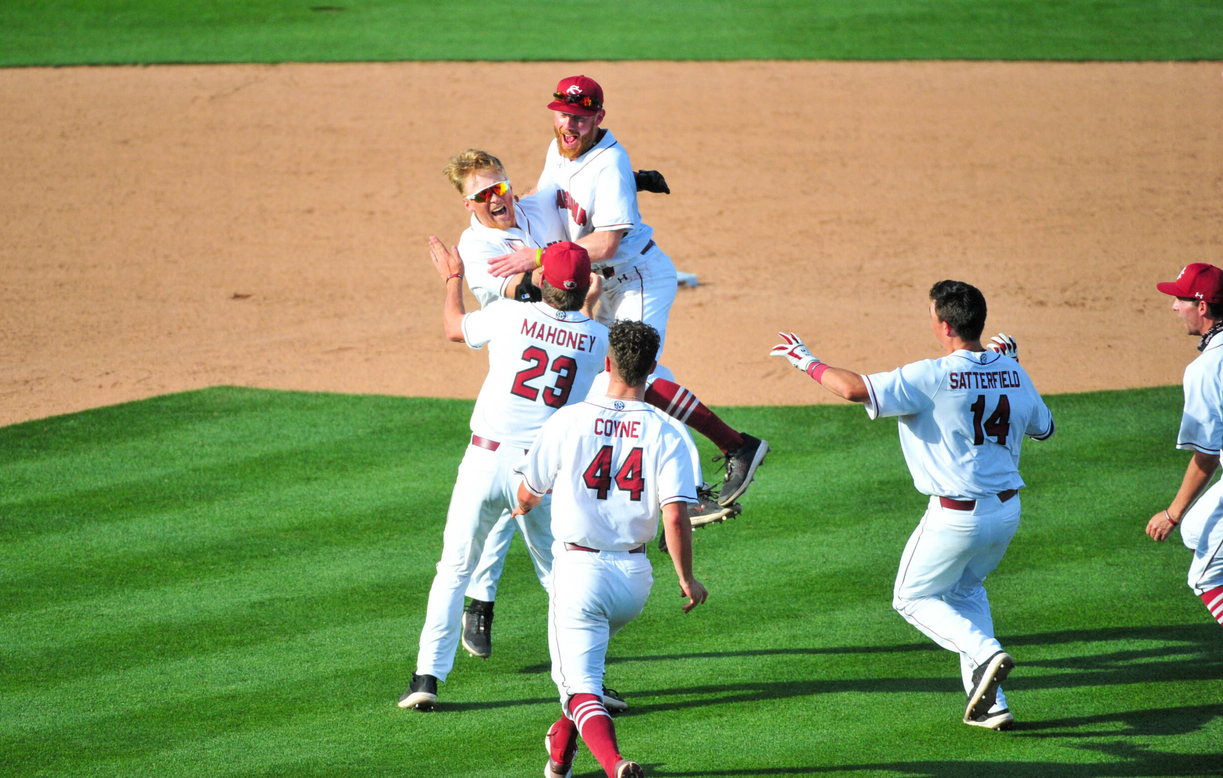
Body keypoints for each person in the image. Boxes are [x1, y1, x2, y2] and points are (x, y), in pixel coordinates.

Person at [438, 148, 755, 670]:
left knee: (531, 477)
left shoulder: (531, 205)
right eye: (484, 194)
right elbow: (527, 289)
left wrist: (627, 182)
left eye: (501, 187)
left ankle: (487, 602)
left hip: (563, 352)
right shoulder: (477, 249)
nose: (498, 199)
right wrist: (549, 263)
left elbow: (568, 197)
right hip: (523, 365)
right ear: (468, 204)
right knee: (513, 483)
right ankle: (483, 600)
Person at [769, 281, 1054, 730]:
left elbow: (854, 389)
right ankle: (992, 705)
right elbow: (1044, 428)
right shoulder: (1014, 370)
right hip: (1006, 514)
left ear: (946, 326)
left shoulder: (932, 376)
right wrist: (1010, 367)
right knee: (966, 591)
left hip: (956, 518)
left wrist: (806, 360)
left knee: (910, 597)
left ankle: (985, 653)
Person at [486, 77, 769, 512]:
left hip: (637, 278)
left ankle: (732, 450)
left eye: (580, 118)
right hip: (601, 284)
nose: (569, 126)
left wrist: (539, 256)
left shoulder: (611, 162)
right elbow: (549, 198)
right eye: (563, 115)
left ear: (599, 117)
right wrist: (502, 208)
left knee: (633, 377)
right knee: (602, 378)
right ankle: (682, 489)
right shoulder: (559, 149)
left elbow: (606, 244)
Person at [397, 240, 610, 711]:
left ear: (543, 281)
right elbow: (581, 337)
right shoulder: (599, 339)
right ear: (585, 288)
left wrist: (453, 278)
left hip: (485, 460)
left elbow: (454, 328)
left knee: (454, 569)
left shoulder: (511, 314)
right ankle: (584, 686)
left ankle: (426, 678)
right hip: (542, 475)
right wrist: (589, 307)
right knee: (561, 579)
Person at [513, 320, 707, 778]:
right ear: (652, 369)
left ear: (607, 363)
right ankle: (560, 753)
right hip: (634, 584)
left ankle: (615, 764)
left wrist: (524, 503)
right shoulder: (668, 433)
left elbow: (528, 491)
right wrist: (686, 578)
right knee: (581, 666)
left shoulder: (569, 420)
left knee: (579, 687)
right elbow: (675, 517)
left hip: (579, 576)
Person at [1147, 263, 1223, 630]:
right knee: (1196, 529)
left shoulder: (1206, 369)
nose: (1175, 307)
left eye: (1181, 299)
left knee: (1205, 578)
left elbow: (1207, 456)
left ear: (1202, 306)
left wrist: (1171, 513)